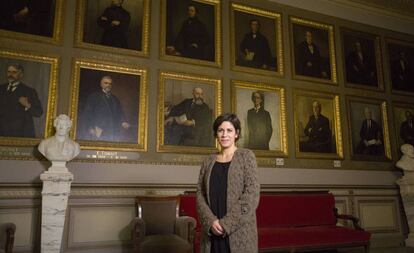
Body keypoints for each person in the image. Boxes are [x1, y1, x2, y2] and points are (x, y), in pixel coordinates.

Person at [196, 113, 260, 253]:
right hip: (211, 233)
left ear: (236, 134)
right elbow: (200, 194)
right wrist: (211, 222)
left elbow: (251, 195)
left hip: (238, 231)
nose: (224, 135)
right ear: (216, 134)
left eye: (229, 130)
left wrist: (226, 224)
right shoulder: (208, 161)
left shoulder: (246, 156)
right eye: (220, 130)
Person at [81, 75, 130, 142]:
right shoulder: (93, 97)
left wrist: (123, 122)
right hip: (99, 130)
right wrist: (91, 128)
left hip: (113, 130)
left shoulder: (115, 98)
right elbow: (87, 114)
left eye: (110, 84)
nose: (108, 85)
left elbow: (120, 112)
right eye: (106, 83)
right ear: (101, 84)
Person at [0, 63, 43, 137]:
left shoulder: (29, 91)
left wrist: (27, 105)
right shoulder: (1, 89)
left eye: (14, 72)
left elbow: (39, 112)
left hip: (21, 134)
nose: (10, 75)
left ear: (21, 74)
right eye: (9, 72)